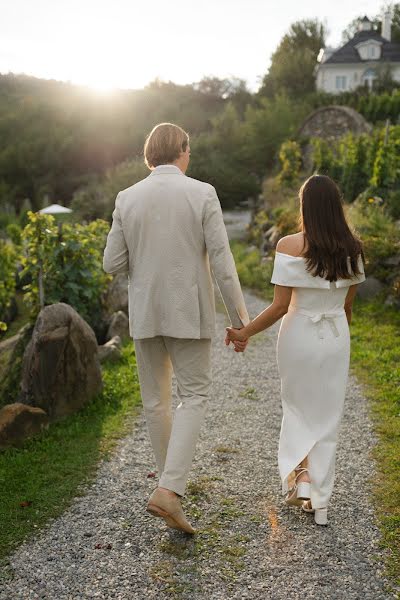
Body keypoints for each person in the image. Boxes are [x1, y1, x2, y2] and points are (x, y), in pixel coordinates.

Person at [103, 122, 249, 534]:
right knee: (195, 396)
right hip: (189, 313)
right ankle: (169, 490)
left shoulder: (126, 197)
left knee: (156, 404)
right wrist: (241, 321)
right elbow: (222, 262)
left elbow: (111, 263)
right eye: (190, 151)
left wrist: (146, 262)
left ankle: (170, 493)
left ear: (150, 154)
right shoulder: (202, 193)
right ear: (182, 151)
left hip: (146, 314)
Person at [227, 174, 366, 526]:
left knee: (298, 408)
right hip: (336, 337)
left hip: (299, 335)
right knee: (327, 416)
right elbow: (347, 307)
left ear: (305, 207)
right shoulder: (353, 248)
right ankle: (319, 503)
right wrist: (338, 343)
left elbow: (278, 307)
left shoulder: (289, 246)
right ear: (336, 207)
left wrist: (244, 332)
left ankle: (302, 479)